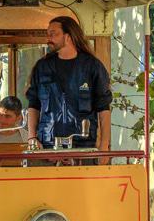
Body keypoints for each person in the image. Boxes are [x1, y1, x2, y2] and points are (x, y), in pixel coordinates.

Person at [25, 16, 111, 152]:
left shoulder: (92, 66)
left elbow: (103, 107)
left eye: (53, 34)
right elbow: (33, 104)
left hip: (83, 146)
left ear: (68, 36)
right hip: (47, 145)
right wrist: (31, 137)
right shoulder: (42, 67)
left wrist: (104, 146)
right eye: (48, 34)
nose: (49, 39)